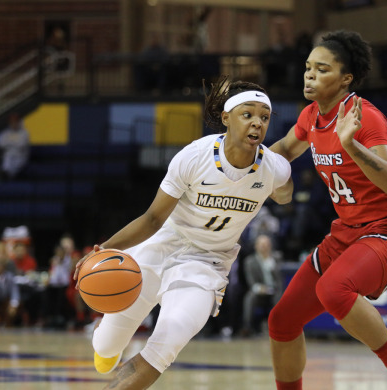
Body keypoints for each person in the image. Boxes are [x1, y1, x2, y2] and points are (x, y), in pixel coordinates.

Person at [72, 76, 293, 389]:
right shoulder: (194, 156)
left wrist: (284, 184)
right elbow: (151, 219)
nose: (257, 123)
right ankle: (107, 346)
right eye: (248, 114)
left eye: (265, 117)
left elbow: (285, 191)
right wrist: (102, 249)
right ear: (227, 118)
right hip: (161, 246)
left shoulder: (274, 168)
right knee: (106, 346)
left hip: (207, 262)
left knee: (167, 340)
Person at [266, 30, 387, 390]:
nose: (310, 75)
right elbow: (280, 152)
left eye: (322, 69)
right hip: (349, 229)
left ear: (346, 79)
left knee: (334, 289)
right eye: (308, 67)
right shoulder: (310, 116)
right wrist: (245, 166)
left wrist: (351, 145)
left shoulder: (364, 117)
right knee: (282, 321)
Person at [241, 234, 282, 336]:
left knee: (279, 296)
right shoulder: (249, 261)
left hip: (274, 291)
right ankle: (247, 327)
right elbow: (251, 282)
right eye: (262, 244)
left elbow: (279, 280)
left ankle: (278, 327)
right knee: (250, 297)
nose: (264, 247)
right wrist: (260, 288)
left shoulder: (276, 259)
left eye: (267, 244)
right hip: (260, 292)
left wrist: (271, 264)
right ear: (256, 246)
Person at [0, 112, 30, 181]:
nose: (13, 123)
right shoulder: (6, 132)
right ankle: (5, 175)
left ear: (19, 122)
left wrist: (8, 143)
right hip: (8, 154)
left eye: (15, 121)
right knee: (7, 161)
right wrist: (13, 143)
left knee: (15, 164)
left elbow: (21, 145)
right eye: (12, 122)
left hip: (21, 156)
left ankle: (5, 176)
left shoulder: (24, 133)